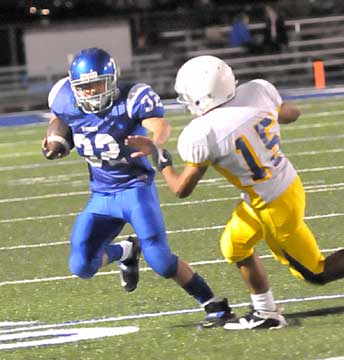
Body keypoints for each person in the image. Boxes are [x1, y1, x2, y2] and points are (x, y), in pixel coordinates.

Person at [126, 55, 344, 330]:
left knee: (316, 272)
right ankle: (265, 310)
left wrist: (159, 157)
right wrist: (263, 118)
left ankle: (268, 315)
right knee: (234, 244)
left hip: (273, 205)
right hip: (279, 186)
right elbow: (292, 113)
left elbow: (181, 189)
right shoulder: (257, 92)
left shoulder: (203, 132)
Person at [42, 48, 234, 328]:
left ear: (113, 80)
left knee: (161, 261)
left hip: (134, 188)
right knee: (81, 265)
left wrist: (155, 142)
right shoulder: (63, 97)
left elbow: (160, 125)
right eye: (86, 87)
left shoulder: (132, 98)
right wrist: (55, 140)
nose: (93, 92)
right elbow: (60, 120)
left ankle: (213, 304)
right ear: (74, 88)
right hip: (101, 195)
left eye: (99, 84)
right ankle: (126, 251)